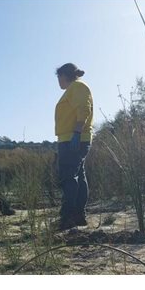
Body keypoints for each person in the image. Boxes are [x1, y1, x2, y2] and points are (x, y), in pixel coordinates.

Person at [54, 63, 93, 230]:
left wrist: (76, 133)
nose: (58, 81)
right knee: (79, 176)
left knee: (68, 177)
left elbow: (84, 108)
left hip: (73, 138)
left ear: (64, 75)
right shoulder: (73, 89)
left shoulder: (77, 86)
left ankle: (68, 217)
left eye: (58, 77)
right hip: (72, 137)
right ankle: (78, 215)